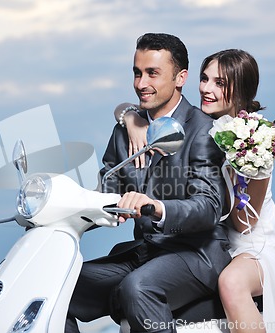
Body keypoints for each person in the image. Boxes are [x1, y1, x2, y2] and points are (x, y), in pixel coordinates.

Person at [115, 49, 275, 332]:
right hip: (208, 241)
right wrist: (131, 117)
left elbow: (246, 223)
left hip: (253, 245)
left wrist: (233, 171)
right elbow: (134, 106)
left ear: (240, 87)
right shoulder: (202, 128)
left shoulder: (256, 136)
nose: (207, 89)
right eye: (204, 79)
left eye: (220, 83)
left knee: (231, 283)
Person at [65, 33, 232, 333]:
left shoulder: (203, 130)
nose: (141, 83)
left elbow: (208, 207)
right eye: (137, 73)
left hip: (196, 253)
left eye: (152, 73)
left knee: (137, 287)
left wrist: (155, 207)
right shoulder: (125, 132)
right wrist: (59, 208)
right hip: (144, 252)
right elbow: (106, 191)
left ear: (180, 78)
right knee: (55, 285)